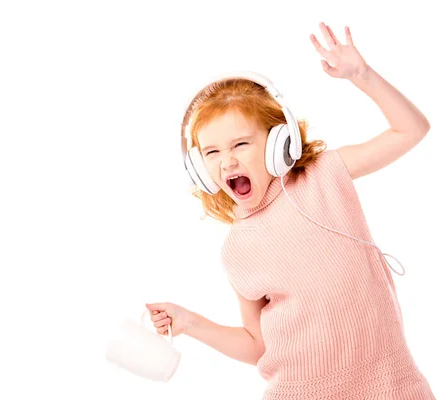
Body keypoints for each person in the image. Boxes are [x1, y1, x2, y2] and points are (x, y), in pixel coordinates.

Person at [146, 22, 435, 399]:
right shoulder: (237, 249)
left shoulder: (324, 175)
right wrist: (188, 322)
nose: (228, 161)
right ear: (201, 169)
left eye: (241, 144)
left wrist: (362, 75)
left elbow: (411, 130)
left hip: (389, 380)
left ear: (278, 143)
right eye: (212, 153)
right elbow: (257, 346)